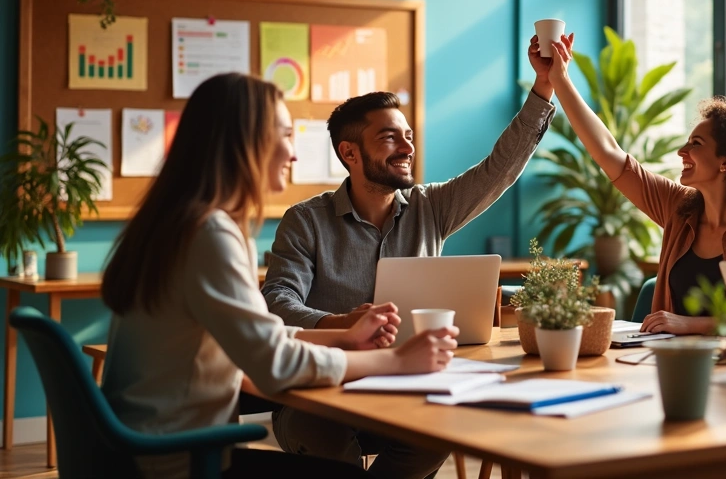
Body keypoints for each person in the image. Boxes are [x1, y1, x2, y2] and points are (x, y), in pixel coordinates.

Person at [101, 74, 459, 479]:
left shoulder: (178, 224)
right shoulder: (209, 236)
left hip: (148, 450)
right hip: (176, 461)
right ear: (245, 142)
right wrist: (394, 360)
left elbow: (262, 338)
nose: (293, 154)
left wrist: (342, 335)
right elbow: (274, 364)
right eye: (286, 134)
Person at [260, 47, 556, 476]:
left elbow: (500, 170)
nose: (406, 147)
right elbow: (277, 301)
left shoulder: (430, 207)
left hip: (408, 386)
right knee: (323, 441)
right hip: (324, 389)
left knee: (440, 433)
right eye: (389, 138)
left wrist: (543, 88)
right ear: (350, 153)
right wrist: (341, 322)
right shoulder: (306, 221)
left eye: (408, 136)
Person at [541, 33, 726, 335]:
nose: (682, 151)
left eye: (696, 143)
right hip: (668, 359)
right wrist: (559, 79)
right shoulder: (679, 208)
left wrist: (688, 325)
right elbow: (608, 153)